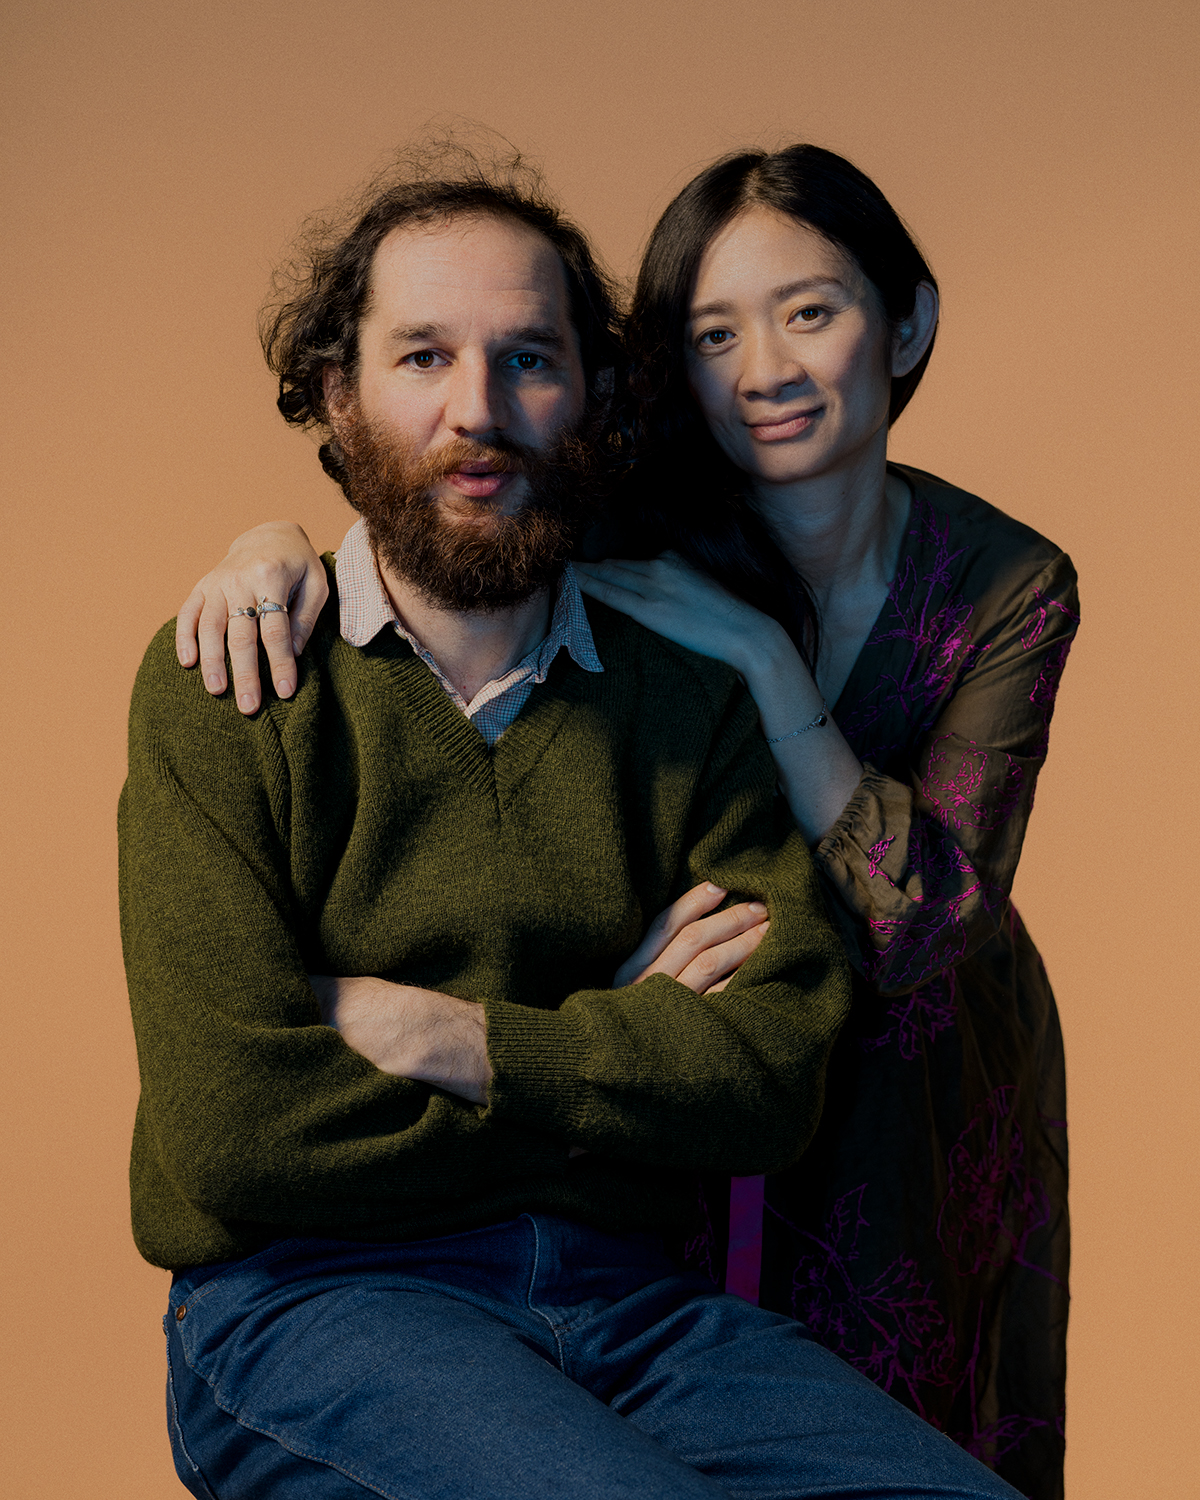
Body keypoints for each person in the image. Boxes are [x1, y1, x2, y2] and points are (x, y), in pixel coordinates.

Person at [181, 144, 1077, 1499]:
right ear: (662, 370)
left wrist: (767, 669)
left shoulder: (1009, 581)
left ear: (906, 325)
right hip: (663, 1049)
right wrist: (266, 549)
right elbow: (419, 528)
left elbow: (928, 922)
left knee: (900, 1430)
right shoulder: (611, 529)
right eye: (715, 333)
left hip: (908, 1061)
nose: (766, 368)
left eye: (811, 311)